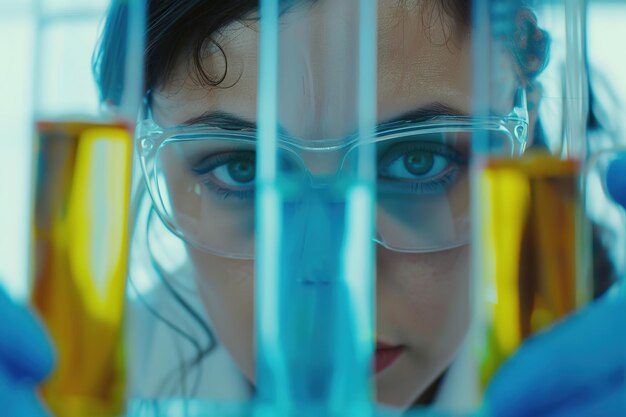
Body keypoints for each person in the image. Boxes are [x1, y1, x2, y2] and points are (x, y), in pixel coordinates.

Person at [1, 0, 625, 415]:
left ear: (527, 126)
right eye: (242, 168)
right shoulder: (69, 387)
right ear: (141, 155)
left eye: (418, 160)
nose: (328, 276)